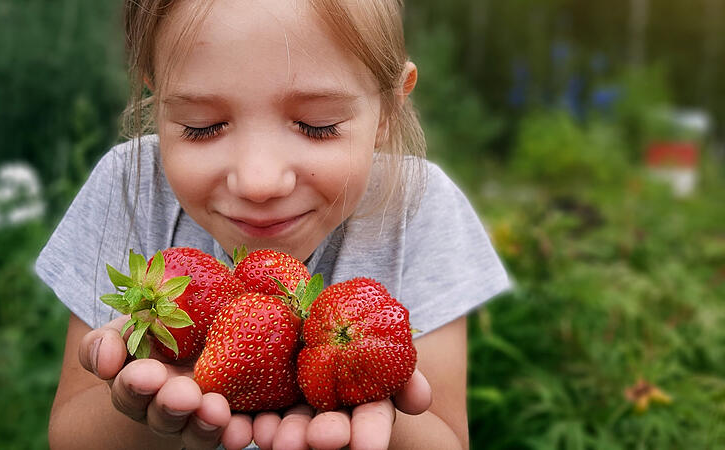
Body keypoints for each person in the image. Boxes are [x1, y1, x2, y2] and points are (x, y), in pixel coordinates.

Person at [36, 0, 510, 448]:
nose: (258, 182)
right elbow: (71, 433)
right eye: (201, 126)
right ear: (155, 98)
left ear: (387, 109)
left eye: (318, 125)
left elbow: (446, 437)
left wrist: (359, 398)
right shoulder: (129, 189)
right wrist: (144, 409)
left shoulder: (421, 208)